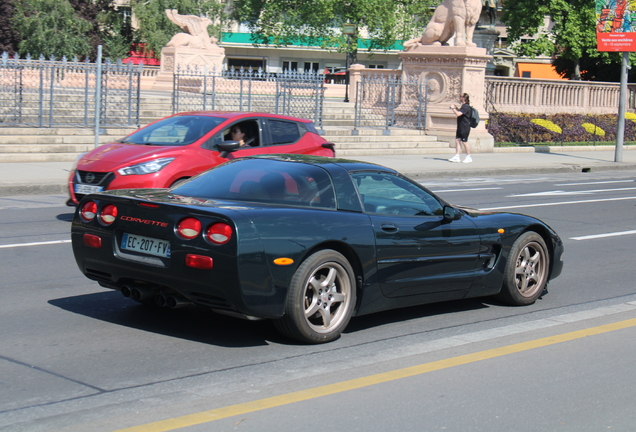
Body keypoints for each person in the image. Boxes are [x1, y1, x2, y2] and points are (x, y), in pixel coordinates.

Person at [448, 93, 472, 163]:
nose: (460, 98)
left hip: (465, 127)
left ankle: (468, 156)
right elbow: (460, 112)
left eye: (461, 96)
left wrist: (453, 108)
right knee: (457, 140)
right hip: (460, 126)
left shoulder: (466, 106)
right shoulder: (463, 106)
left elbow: (458, 114)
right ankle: (457, 156)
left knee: (464, 142)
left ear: (464, 98)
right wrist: (456, 108)